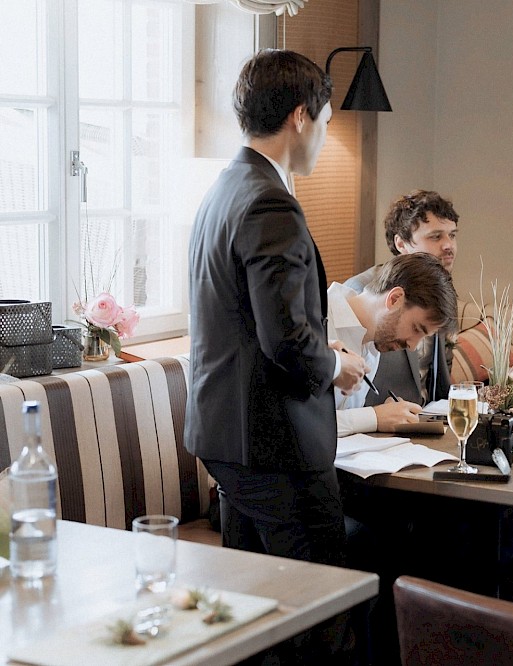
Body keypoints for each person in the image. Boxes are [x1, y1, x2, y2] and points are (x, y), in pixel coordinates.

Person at [185, 49, 367, 661]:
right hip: (273, 441)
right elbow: (287, 343)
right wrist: (336, 364)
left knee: (254, 614)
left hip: (230, 437)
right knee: (321, 610)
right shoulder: (271, 203)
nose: (323, 135)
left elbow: (253, 322)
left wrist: (317, 345)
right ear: (300, 117)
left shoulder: (224, 188)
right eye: (325, 120)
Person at [344, 190, 460, 406]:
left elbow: (439, 377)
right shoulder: (362, 294)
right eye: (436, 236)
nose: (448, 245)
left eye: (452, 235)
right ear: (401, 244)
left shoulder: (440, 294)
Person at [330, 252, 457, 436]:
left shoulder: (373, 346)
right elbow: (300, 423)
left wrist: (388, 414)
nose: (413, 346)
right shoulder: (314, 321)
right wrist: (374, 417)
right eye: (416, 329)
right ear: (395, 298)